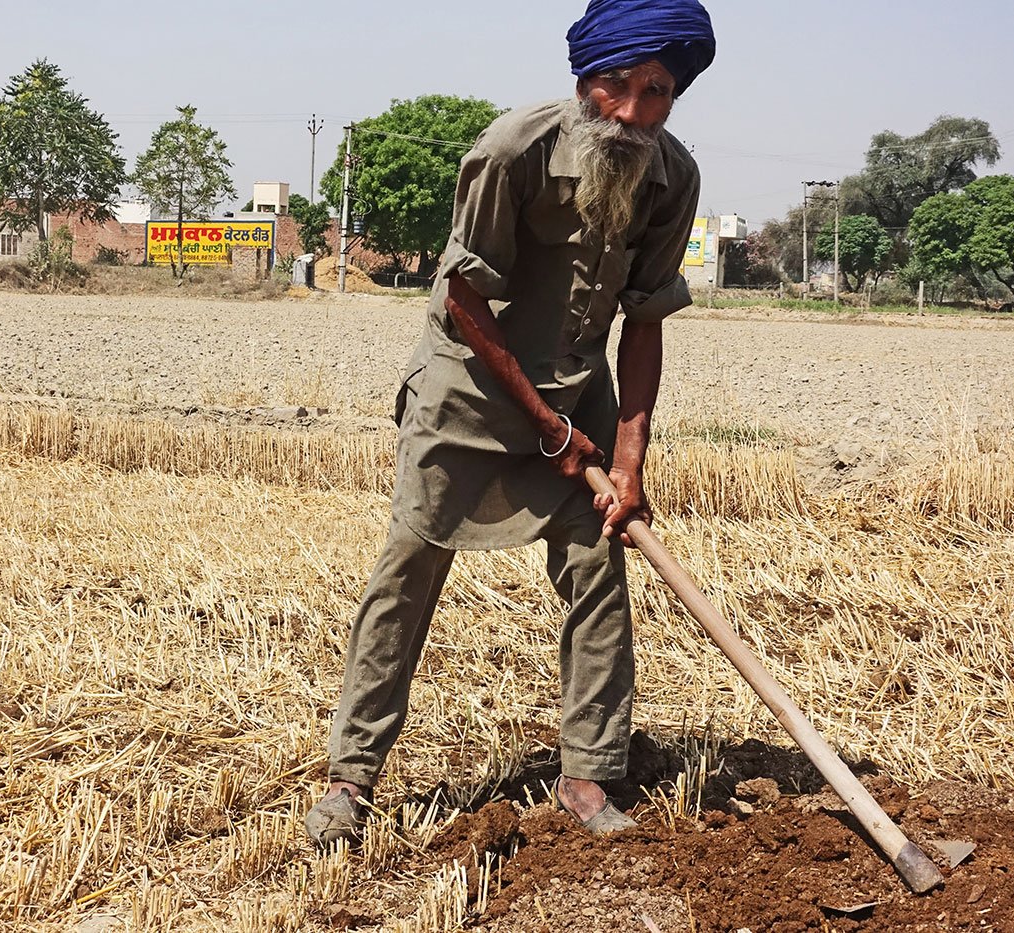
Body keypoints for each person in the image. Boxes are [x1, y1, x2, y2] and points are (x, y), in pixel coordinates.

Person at [305, 0, 716, 848]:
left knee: (600, 569)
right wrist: (543, 425)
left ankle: (588, 776)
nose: (635, 112)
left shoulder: (674, 177)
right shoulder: (511, 151)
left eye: (659, 92)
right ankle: (351, 777)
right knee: (408, 570)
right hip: (468, 391)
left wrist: (628, 459)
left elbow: (644, 318)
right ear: (584, 77)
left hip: (578, 404)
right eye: (618, 86)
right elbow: (462, 298)